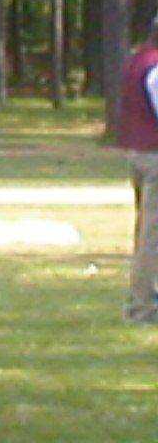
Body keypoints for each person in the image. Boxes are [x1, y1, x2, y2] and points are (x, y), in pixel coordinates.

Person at [118, 17, 158, 324]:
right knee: (152, 238)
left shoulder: (138, 61)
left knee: (148, 233)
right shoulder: (155, 67)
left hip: (140, 152)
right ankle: (142, 307)